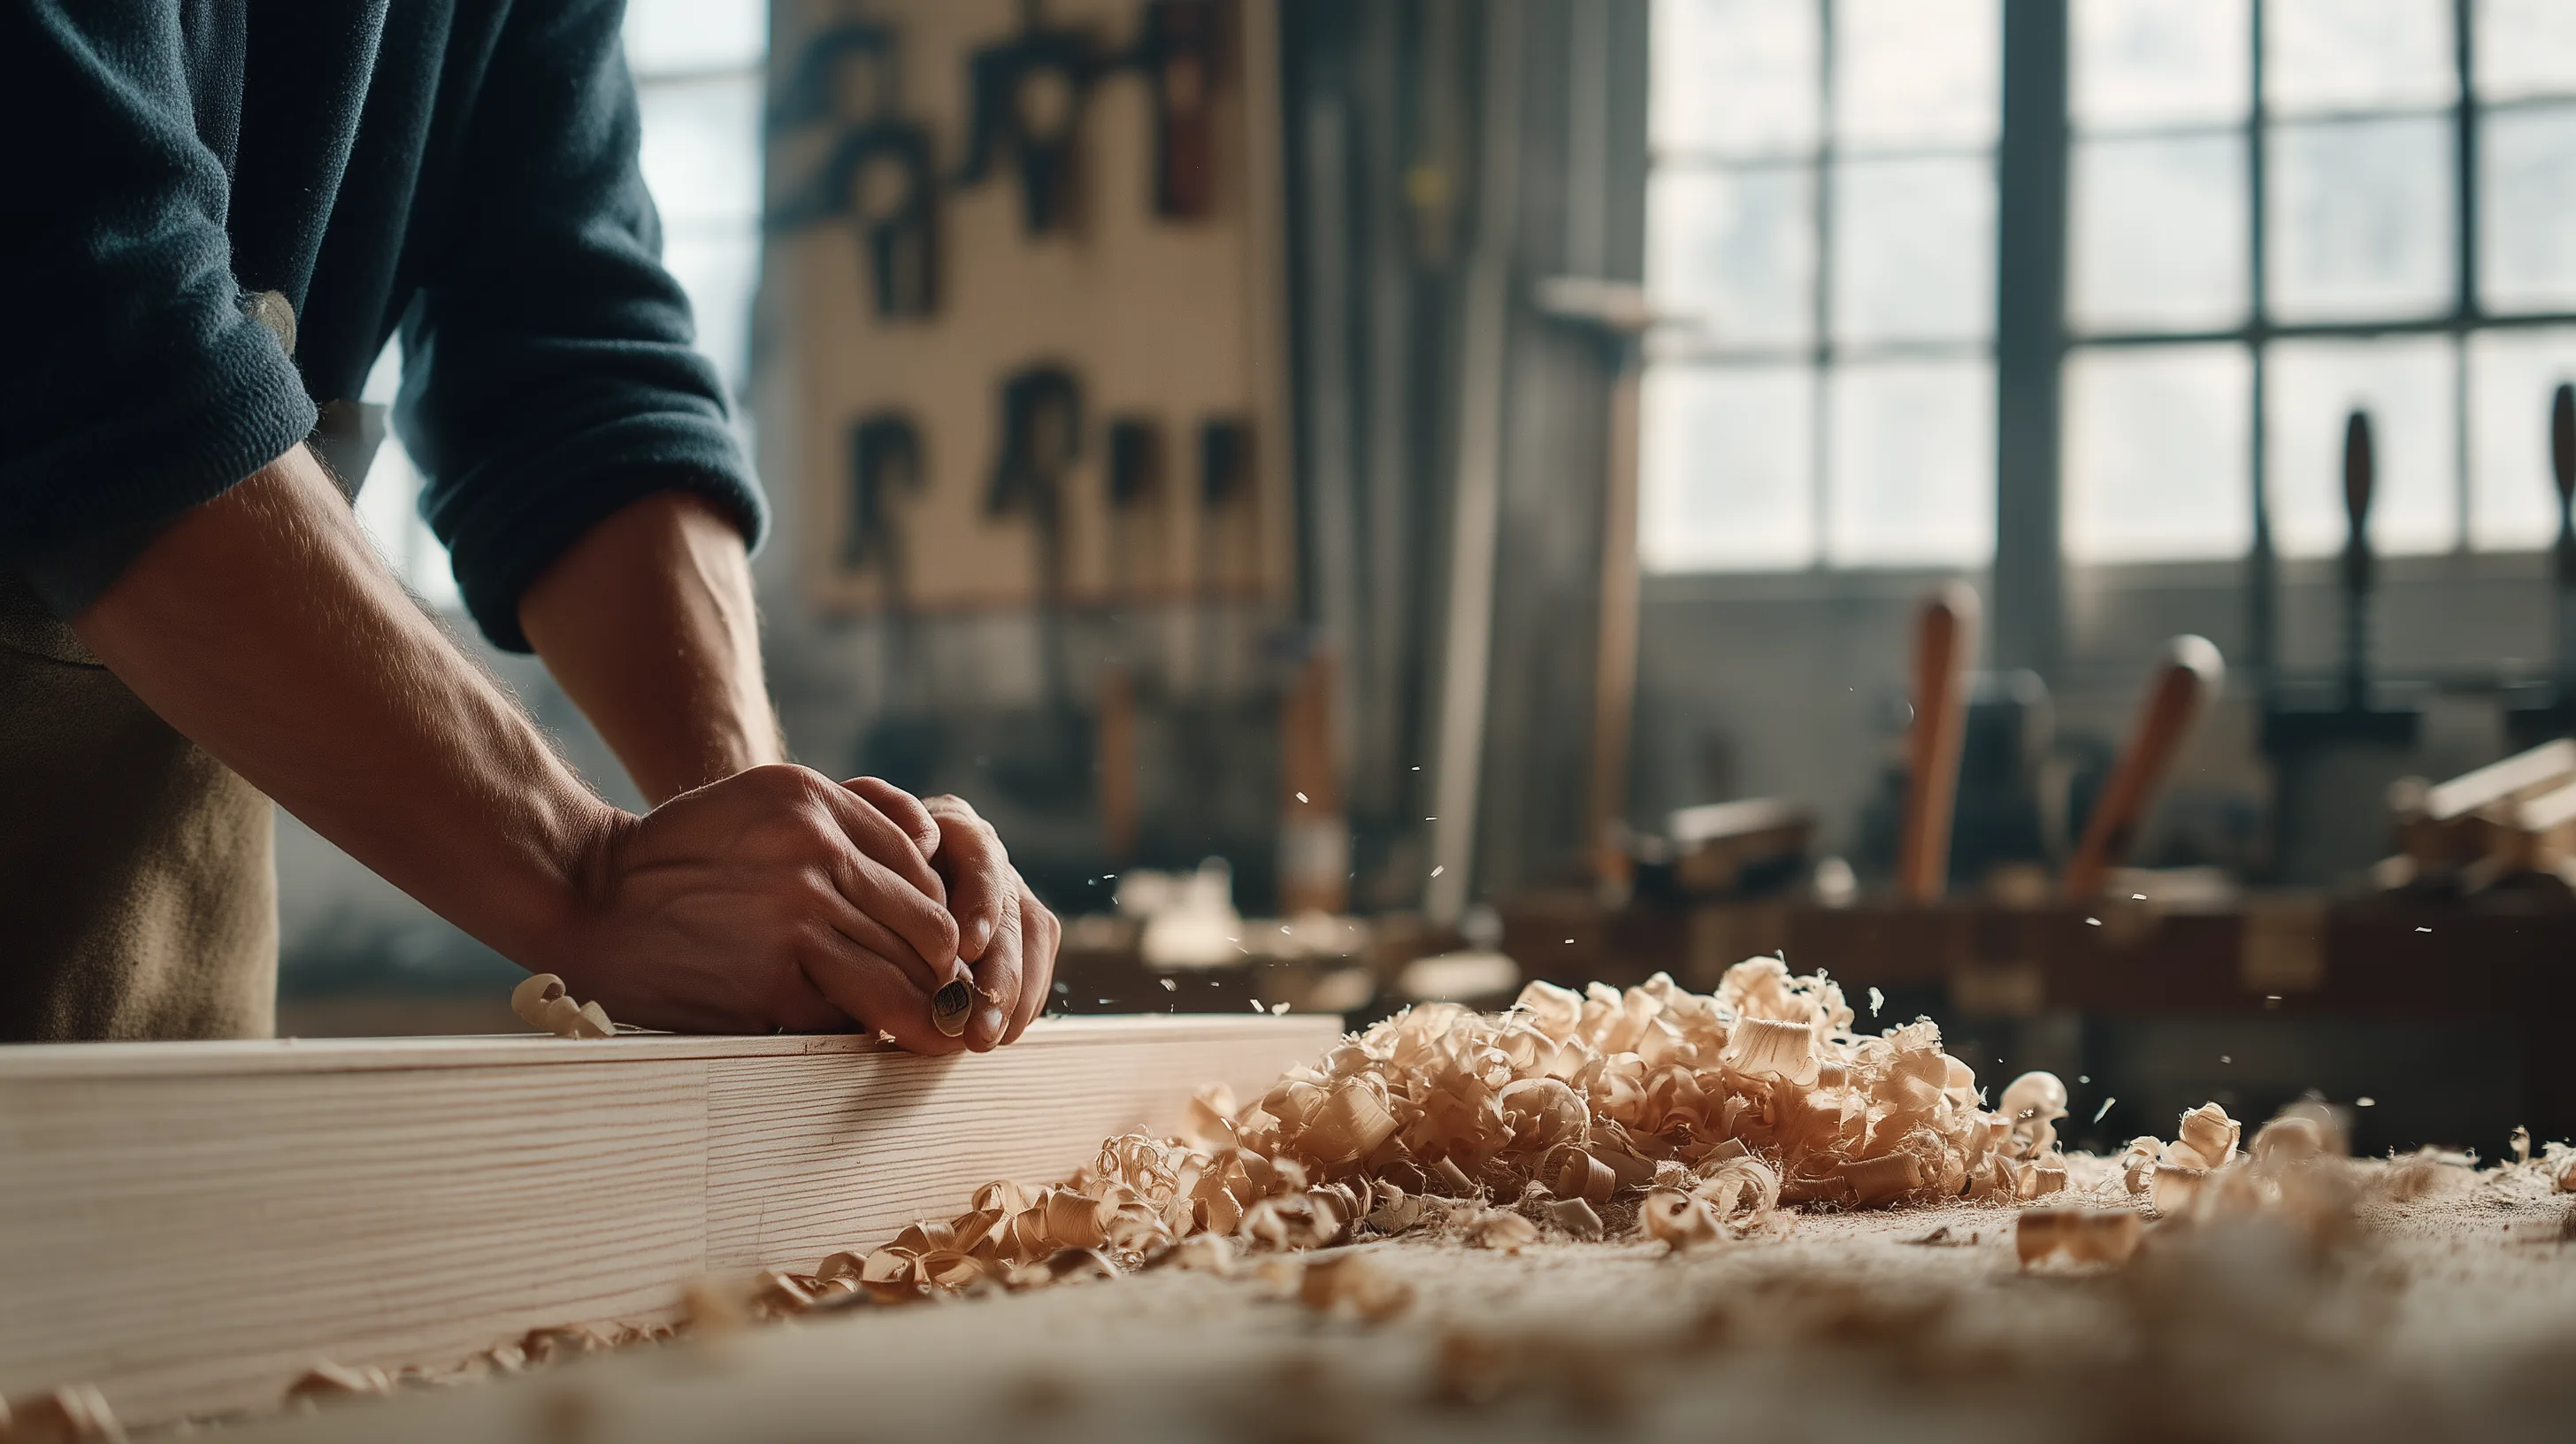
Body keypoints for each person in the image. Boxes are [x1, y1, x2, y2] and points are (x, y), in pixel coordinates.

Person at [0, 1, 1059, 1046]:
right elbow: (84, 309)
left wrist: (777, 864)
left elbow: (571, 361)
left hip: (157, 961)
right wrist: (582, 876)